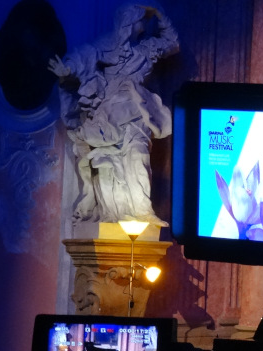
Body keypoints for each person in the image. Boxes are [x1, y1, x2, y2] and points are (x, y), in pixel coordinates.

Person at [48, 4, 179, 225]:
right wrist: (68, 70)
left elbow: (172, 43)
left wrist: (159, 14)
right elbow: (82, 57)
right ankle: (117, 211)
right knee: (109, 164)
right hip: (110, 115)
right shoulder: (107, 45)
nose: (144, 23)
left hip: (136, 113)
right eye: (141, 18)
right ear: (130, 22)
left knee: (139, 156)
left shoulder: (146, 49)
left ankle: (143, 210)